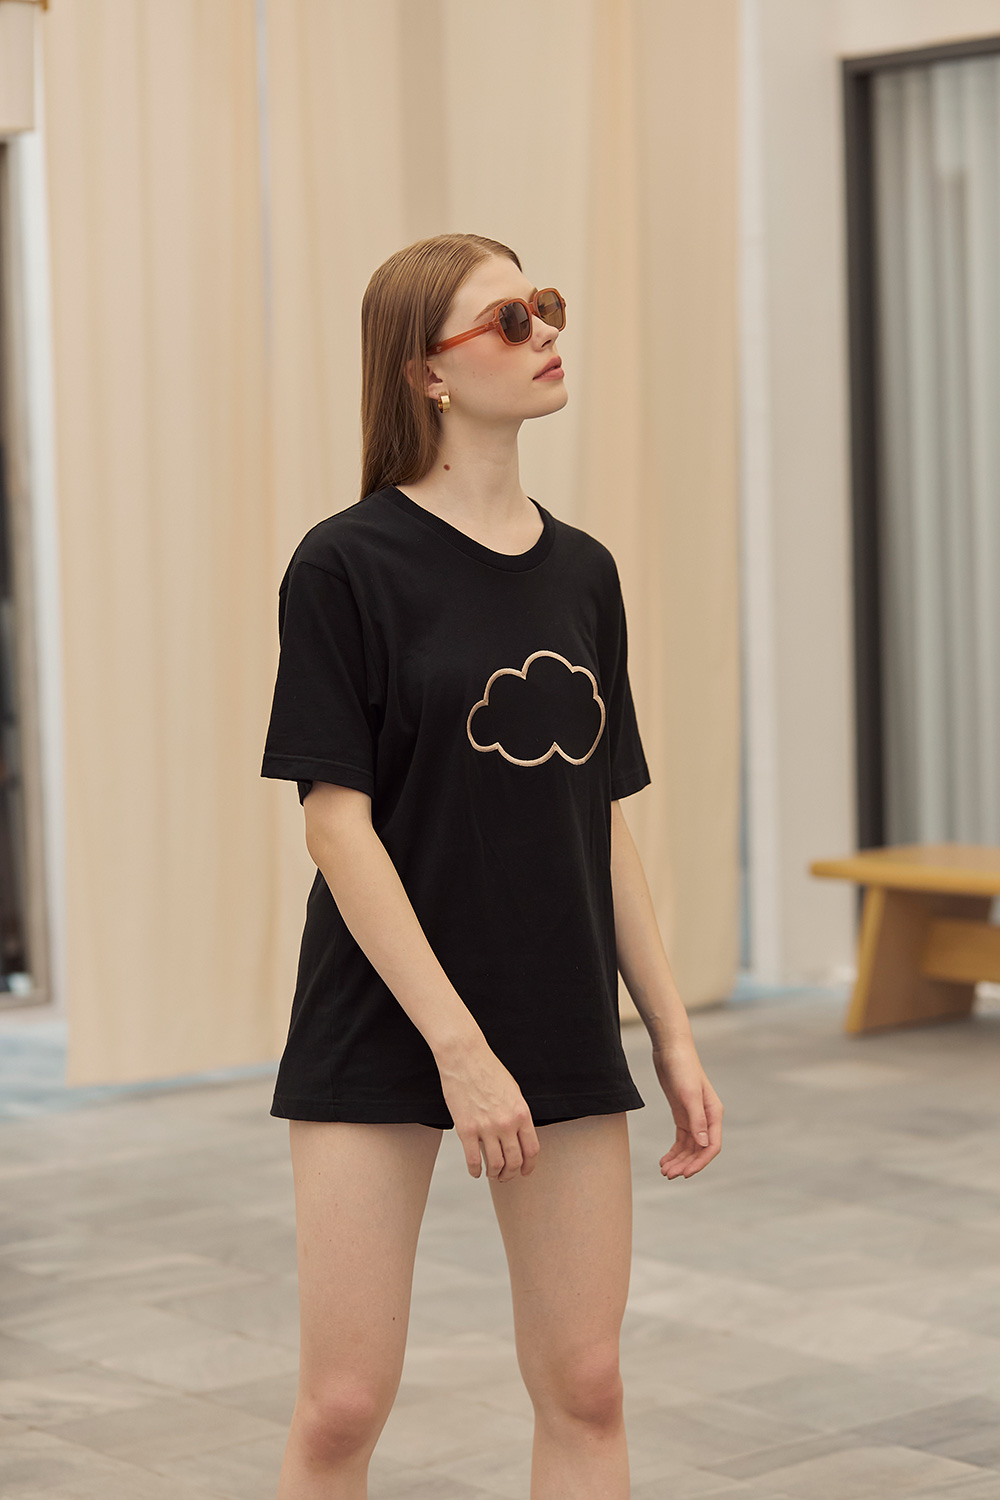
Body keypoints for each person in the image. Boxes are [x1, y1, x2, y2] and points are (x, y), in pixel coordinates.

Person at [260, 231, 724, 1500]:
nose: (547, 333)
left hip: (555, 1005)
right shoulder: (344, 565)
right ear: (427, 373)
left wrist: (672, 1034)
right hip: (385, 1014)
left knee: (588, 1384)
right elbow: (334, 825)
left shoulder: (585, 574)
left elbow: (600, 818)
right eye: (510, 319)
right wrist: (459, 1052)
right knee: (342, 1408)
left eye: (546, 306)